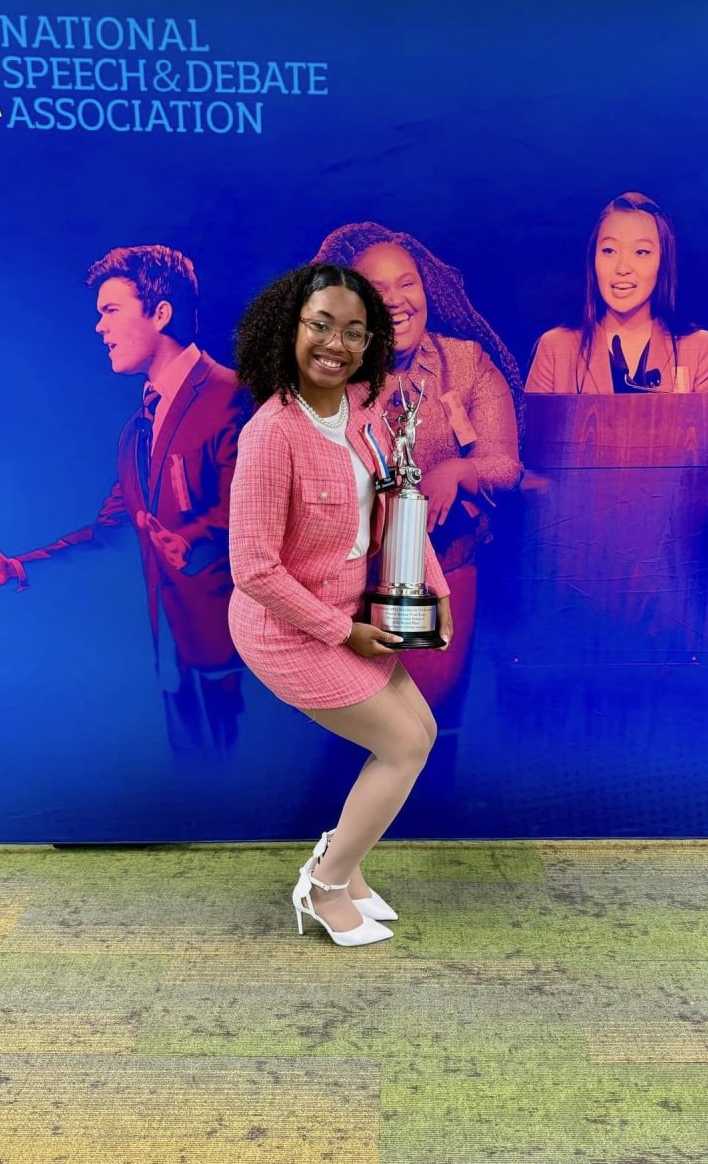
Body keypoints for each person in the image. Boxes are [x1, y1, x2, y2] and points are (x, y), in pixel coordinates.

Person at [0, 245, 247, 756]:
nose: (99, 328)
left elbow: (261, 514)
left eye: (111, 311)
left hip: (243, 663)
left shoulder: (235, 396)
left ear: (161, 313)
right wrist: (15, 568)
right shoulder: (134, 431)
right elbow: (113, 536)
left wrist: (192, 544)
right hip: (172, 663)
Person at [229, 262, 452, 947]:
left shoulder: (363, 412)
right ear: (287, 329)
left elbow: (397, 508)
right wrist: (343, 632)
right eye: (321, 325)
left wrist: (434, 594)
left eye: (355, 331)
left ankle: (345, 863)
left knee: (419, 730)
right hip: (287, 631)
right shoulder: (272, 434)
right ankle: (324, 888)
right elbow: (253, 570)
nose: (337, 343)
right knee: (406, 744)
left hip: (355, 619)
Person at [313, 222, 521, 711]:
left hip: (448, 574)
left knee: (437, 721)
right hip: (348, 589)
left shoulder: (467, 364)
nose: (397, 300)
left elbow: (505, 464)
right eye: (376, 289)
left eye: (407, 283)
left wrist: (456, 470)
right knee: (363, 733)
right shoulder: (327, 376)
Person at [525, 192, 708, 394]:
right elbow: (534, 425)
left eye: (641, 252)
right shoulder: (556, 348)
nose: (622, 268)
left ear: (663, 262)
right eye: (609, 251)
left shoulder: (695, 347)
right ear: (593, 259)